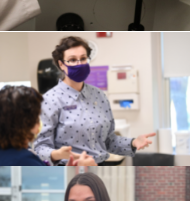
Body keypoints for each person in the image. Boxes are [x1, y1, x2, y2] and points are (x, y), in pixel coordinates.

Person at [33, 37, 156, 165]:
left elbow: (109, 141)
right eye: (72, 60)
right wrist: (58, 154)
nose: (79, 64)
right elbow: (40, 148)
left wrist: (133, 142)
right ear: (61, 64)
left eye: (83, 58)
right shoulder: (50, 100)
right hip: (70, 167)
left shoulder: (99, 95)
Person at [0, 85, 97, 167]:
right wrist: (80, 170)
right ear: (25, 122)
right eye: (37, 116)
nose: (39, 122)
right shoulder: (24, 160)